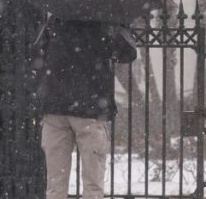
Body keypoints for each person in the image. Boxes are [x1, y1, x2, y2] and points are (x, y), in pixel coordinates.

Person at [32, 18, 137, 199]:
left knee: (55, 184)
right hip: (91, 108)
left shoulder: (56, 20)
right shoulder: (104, 20)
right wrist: (121, 26)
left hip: (56, 106)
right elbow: (127, 53)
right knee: (93, 184)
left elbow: (35, 54)